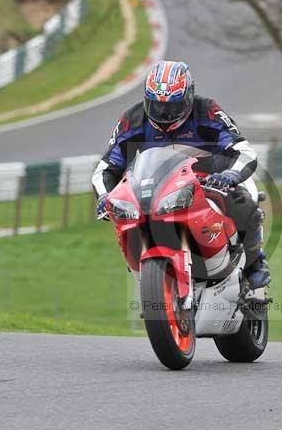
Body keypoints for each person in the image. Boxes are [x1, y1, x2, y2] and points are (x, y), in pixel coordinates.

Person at [92, 59, 270, 288]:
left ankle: (255, 262)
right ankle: (147, 272)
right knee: (127, 219)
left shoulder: (207, 110)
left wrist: (229, 176)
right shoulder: (132, 119)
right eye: (157, 106)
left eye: (173, 106)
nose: (165, 113)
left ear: (188, 97)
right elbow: (107, 167)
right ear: (147, 99)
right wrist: (104, 196)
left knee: (245, 204)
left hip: (209, 181)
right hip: (155, 187)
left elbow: (242, 150)